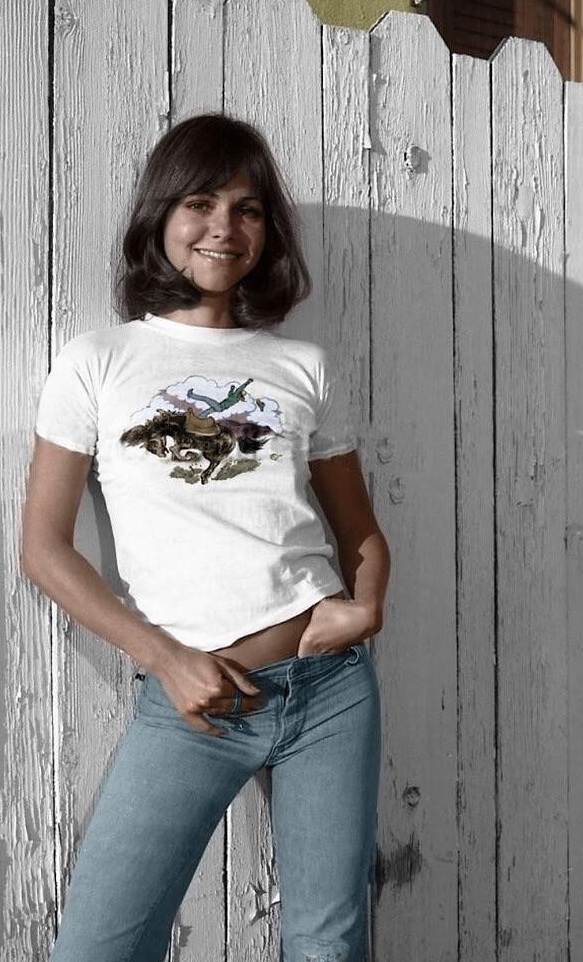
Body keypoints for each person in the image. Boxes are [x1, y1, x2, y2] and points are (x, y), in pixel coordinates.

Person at [21, 112, 390, 962]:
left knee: (328, 947)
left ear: (268, 231)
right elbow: (44, 549)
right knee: (100, 947)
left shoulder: (302, 367)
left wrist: (366, 607)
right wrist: (166, 659)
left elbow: (361, 531)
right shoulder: (98, 361)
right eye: (200, 203)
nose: (224, 227)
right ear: (162, 216)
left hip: (329, 690)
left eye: (247, 209)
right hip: (197, 696)